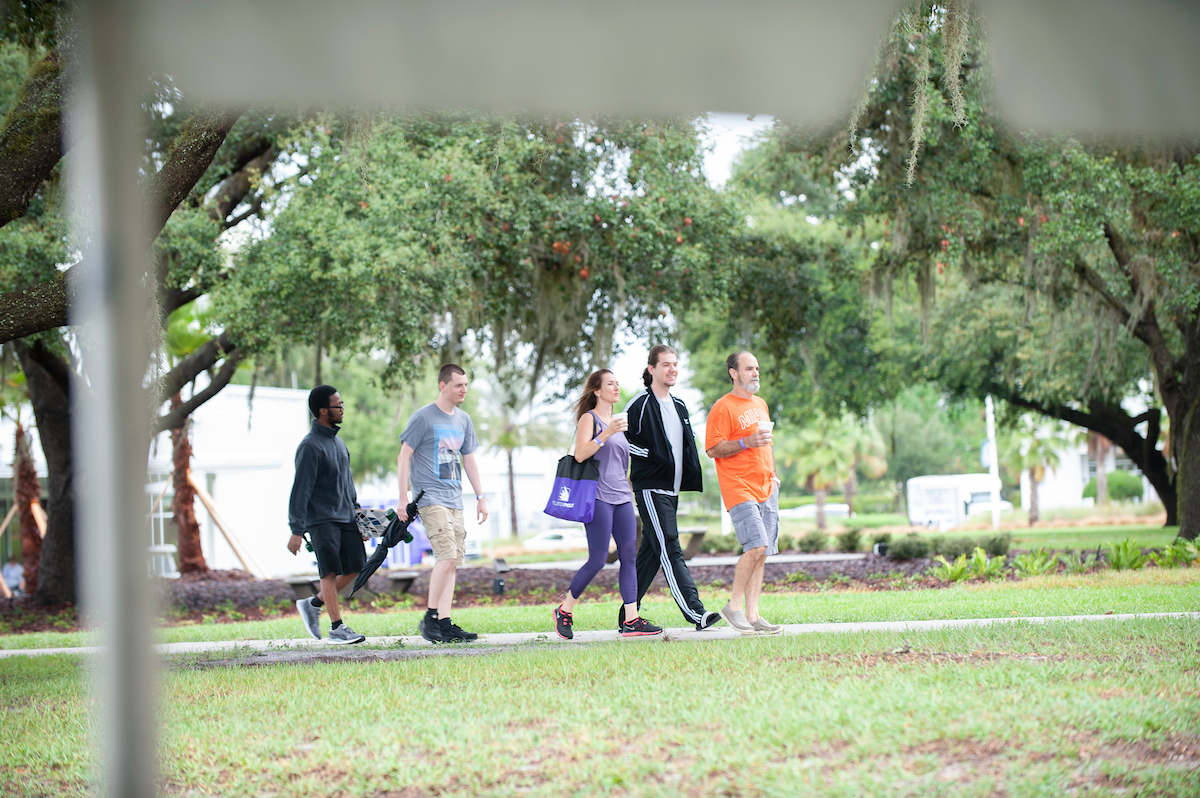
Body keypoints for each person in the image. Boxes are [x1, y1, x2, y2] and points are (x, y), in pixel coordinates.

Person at [553, 370, 663, 640]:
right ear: (597, 391)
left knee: (629, 558)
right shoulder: (589, 420)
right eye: (610, 384)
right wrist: (607, 433)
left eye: (617, 383)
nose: (616, 387)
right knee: (598, 559)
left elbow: (619, 462)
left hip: (622, 498)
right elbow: (580, 454)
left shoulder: (617, 422)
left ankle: (631, 620)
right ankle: (564, 610)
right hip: (599, 497)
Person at [623, 345, 721, 631]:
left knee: (651, 554)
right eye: (665, 364)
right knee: (670, 548)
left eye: (675, 364)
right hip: (651, 487)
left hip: (674, 489)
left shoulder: (679, 405)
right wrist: (650, 456)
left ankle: (628, 616)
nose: (672, 369)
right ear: (651, 369)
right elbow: (619, 439)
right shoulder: (639, 404)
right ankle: (696, 612)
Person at [397, 364, 488, 643]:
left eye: (466, 384)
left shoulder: (463, 420)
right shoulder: (423, 418)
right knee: (447, 556)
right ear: (443, 386)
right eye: (458, 385)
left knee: (453, 563)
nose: (464, 389)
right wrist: (403, 498)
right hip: (430, 498)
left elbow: (469, 459)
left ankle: (444, 623)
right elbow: (404, 457)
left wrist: (480, 497)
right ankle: (430, 617)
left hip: (454, 499)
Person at [706, 351, 782, 636]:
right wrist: (744, 441)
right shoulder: (723, 408)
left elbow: (766, 443)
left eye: (757, 369)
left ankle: (752, 615)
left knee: (762, 553)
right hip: (739, 486)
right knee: (756, 546)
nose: (755, 373)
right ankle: (733, 606)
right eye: (749, 369)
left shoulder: (761, 404)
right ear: (733, 373)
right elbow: (713, 448)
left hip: (766, 486)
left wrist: (773, 475)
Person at [287, 385, 367, 644]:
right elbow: (301, 490)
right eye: (338, 405)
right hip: (321, 519)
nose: (342, 409)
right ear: (323, 411)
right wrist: (297, 529)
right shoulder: (310, 447)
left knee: (357, 565)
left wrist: (359, 517)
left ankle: (312, 604)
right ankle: (336, 627)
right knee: (329, 571)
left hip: (346, 516)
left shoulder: (339, 442)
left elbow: (348, 484)